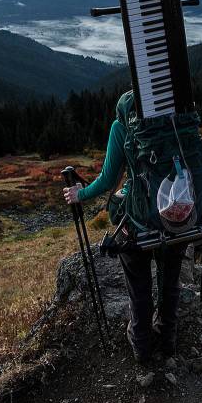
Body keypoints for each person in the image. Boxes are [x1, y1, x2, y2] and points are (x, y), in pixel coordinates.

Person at [62, 90, 187, 364]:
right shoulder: (178, 118)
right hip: (179, 214)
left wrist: (79, 194)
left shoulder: (122, 126)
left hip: (140, 221)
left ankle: (142, 347)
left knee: (139, 286)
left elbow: (108, 180)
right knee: (170, 282)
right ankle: (167, 342)